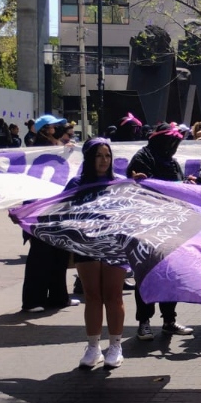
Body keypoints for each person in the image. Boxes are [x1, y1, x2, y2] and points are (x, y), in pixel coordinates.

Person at [127, 123, 194, 340]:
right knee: (145, 274)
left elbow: (177, 187)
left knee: (170, 273)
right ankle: (144, 321)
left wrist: (187, 184)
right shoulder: (142, 157)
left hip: (171, 225)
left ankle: (169, 320)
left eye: (176, 143)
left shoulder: (172, 162)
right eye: (169, 141)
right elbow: (134, 186)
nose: (172, 146)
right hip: (147, 226)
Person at [65, 138, 126, 370]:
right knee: (92, 296)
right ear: (89, 158)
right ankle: (93, 347)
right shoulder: (77, 183)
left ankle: (115, 346)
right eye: (99, 156)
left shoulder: (119, 183)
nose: (104, 160)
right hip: (86, 244)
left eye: (107, 156)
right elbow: (58, 208)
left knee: (113, 295)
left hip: (114, 245)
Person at [20, 114, 76, 313]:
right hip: (40, 211)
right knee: (40, 257)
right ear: (45, 130)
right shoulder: (37, 152)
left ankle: (58, 297)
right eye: (54, 127)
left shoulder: (59, 148)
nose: (58, 129)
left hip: (59, 209)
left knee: (59, 255)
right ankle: (33, 300)